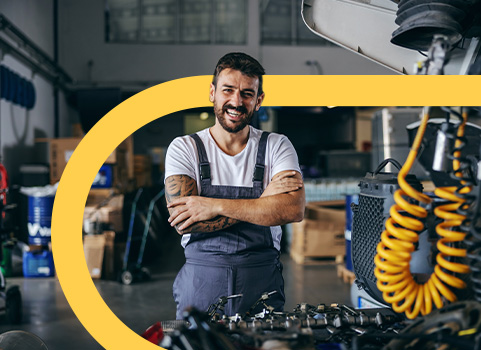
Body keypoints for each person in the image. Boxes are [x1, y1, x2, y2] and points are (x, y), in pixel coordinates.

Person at [164, 52, 305, 320]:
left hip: (261, 281)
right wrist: (263, 203)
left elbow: (292, 210)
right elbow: (186, 222)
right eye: (228, 90)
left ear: (259, 100)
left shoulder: (276, 145)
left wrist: (212, 204)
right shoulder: (185, 148)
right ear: (212, 92)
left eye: (247, 93)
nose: (236, 102)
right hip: (201, 282)